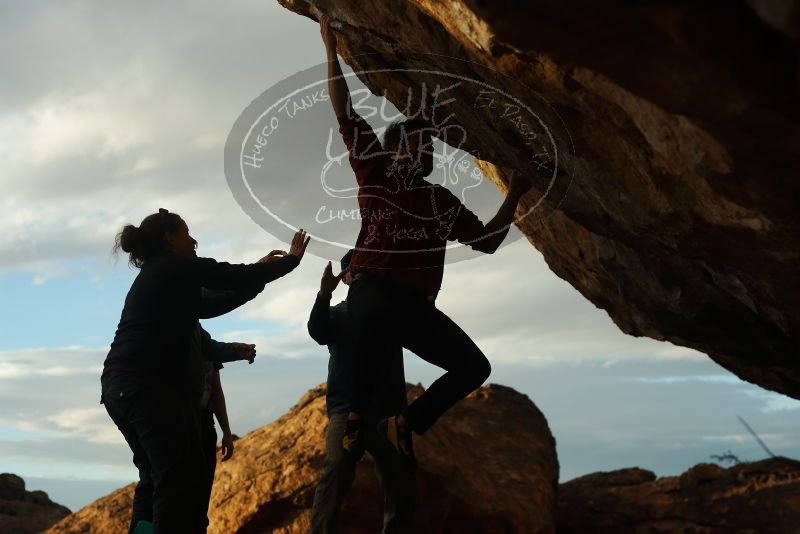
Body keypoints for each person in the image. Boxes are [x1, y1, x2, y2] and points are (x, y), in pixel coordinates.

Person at [320, 15, 533, 461]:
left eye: (431, 146)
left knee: (475, 367)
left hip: (414, 307)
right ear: (394, 147)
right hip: (372, 290)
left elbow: (489, 241)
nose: (428, 150)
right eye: (418, 143)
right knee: (373, 309)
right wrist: (330, 48)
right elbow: (344, 110)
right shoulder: (375, 170)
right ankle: (356, 413)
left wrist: (513, 193)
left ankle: (405, 425)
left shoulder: (442, 199)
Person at [101, 208, 309, 534]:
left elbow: (213, 303)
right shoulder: (174, 267)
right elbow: (228, 276)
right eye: (186, 233)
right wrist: (288, 263)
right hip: (146, 387)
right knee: (178, 479)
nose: (193, 239)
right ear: (169, 239)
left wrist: (261, 274)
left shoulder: (163, 276)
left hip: (120, 387)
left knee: (156, 477)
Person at [307, 250, 414, 534]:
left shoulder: (391, 311)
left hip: (388, 412)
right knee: (339, 464)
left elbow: (422, 316)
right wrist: (323, 294)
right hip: (344, 411)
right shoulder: (338, 314)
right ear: (347, 277)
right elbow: (317, 331)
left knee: (400, 483)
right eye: (359, 271)